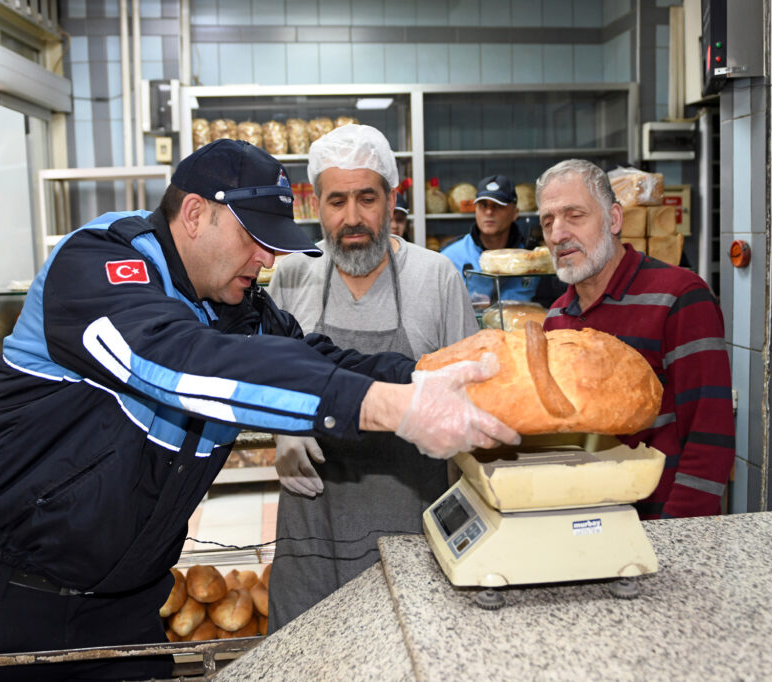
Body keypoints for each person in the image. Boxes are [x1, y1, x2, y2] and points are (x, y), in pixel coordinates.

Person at [0, 139, 520, 681]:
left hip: (125, 608)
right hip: (4, 601)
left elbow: (322, 359)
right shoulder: (100, 264)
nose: (266, 261)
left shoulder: (238, 307)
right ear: (196, 213)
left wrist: (437, 379)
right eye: (254, 240)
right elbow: (175, 361)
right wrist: (390, 407)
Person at [265, 125, 479, 633]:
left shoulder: (435, 278)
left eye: (367, 198)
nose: (353, 218)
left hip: (414, 516)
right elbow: (265, 371)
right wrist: (282, 427)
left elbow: (471, 397)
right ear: (315, 203)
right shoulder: (292, 273)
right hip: (312, 517)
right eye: (337, 201)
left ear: (391, 199)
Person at [536, 159, 734, 519]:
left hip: (662, 527)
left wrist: (680, 537)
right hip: (585, 524)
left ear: (613, 219)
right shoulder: (556, 319)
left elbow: (710, 436)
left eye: (574, 215)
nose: (557, 234)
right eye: (547, 221)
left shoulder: (678, 297)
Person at [440, 173, 565, 308]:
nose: (489, 212)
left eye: (497, 206)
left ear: (515, 213)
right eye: (483, 205)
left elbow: (548, 307)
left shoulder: (534, 258)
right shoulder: (450, 257)